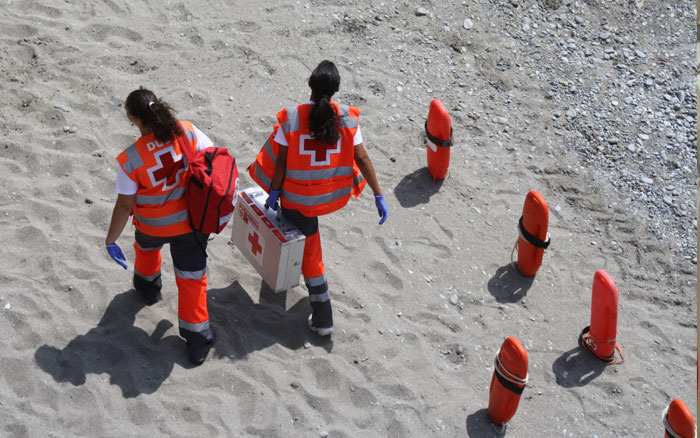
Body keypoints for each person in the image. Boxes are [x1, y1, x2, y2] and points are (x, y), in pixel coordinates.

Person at [248, 60, 388, 336]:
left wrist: (274, 192)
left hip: (297, 199)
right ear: (336, 90)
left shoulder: (292, 118)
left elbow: (281, 163)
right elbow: (362, 157)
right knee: (305, 237)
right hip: (328, 196)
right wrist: (378, 194)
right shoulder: (347, 118)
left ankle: (324, 317)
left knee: (311, 252)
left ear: (310, 85)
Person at [105, 88, 214, 365]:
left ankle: (148, 288)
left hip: (152, 225)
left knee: (145, 248)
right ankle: (198, 340)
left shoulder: (131, 158)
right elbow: (212, 158)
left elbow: (124, 206)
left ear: (133, 119)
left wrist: (111, 239)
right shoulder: (187, 131)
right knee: (192, 280)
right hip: (191, 225)